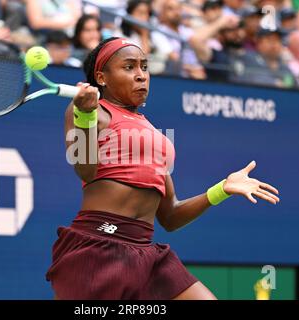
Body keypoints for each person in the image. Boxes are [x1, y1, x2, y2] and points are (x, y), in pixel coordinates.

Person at [45, 37, 280, 300]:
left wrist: (221, 189)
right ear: (101, 77)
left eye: (144, 67)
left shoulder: (155, 135)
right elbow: (84, 169)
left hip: (147, 253)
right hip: (98, 246)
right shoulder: (90, 112)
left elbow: (170, 216)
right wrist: (84, 115)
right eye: (129, 67)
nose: (140, 76)